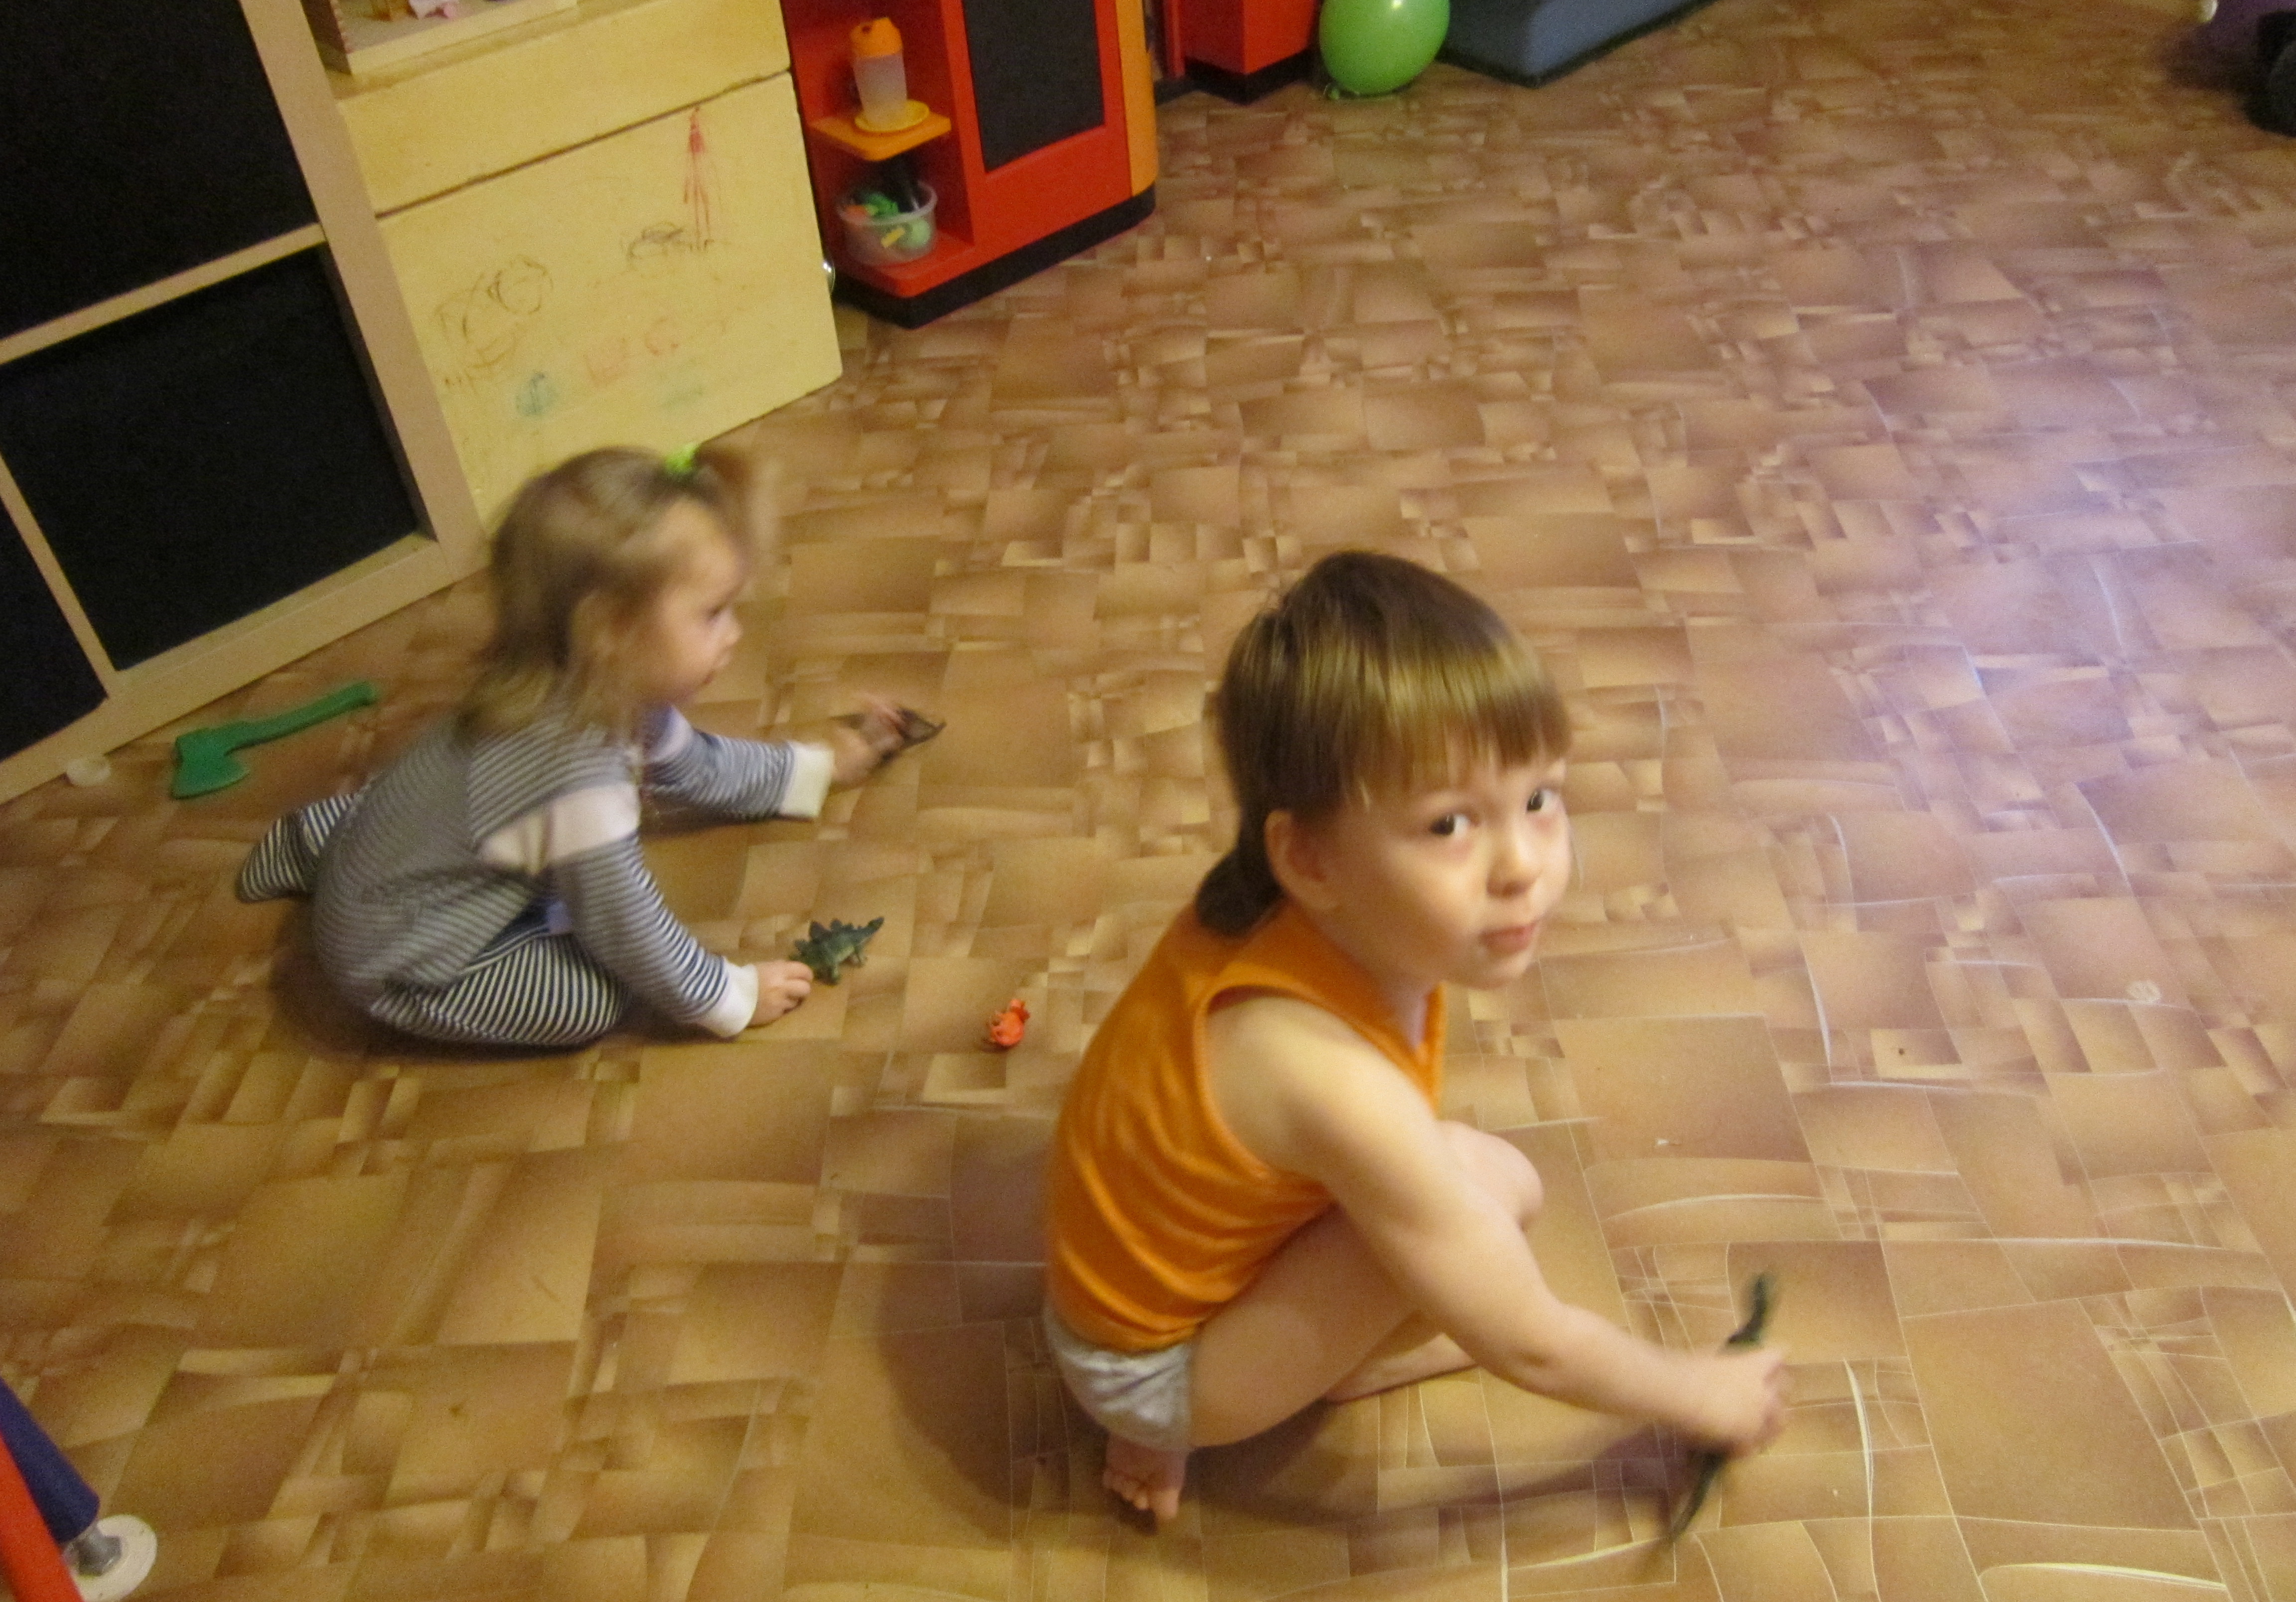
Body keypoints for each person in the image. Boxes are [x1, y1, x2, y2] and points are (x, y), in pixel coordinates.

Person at [1041, 550, 1789, 1524]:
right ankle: (1210, 1412)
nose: (1522, 866)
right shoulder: (1321, 1074)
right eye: (1448, 826)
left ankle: (1302, 1368)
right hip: (1154, 1372)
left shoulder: (1279, 908)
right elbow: (1531, 1343)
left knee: (1477, 1193)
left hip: (1146, 1297)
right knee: (1491, 1199)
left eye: (1538, 798)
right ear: (1309, 858)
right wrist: (1698, 1393)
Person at [236, 443, 913, 1049]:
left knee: (432, 814)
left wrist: (817, 769)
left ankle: (313, 845)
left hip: (387, 859)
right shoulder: (575, 779)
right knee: (593, 999)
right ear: (612, 630)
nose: (734, 634)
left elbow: (693, 768)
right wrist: (729, 996)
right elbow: (626, 927)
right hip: (405, 959)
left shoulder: (574, 684)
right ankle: (344, 896)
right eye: (712, 614)